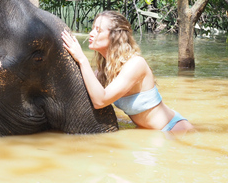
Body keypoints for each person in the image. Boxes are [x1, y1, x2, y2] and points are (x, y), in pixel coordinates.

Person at [61, 10, 194, 132]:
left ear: (115, 36)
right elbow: (86, 91)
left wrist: (82, 59)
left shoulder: (135, 64)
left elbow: (100, 101)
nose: (91, 33)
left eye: (98, 30)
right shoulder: (105, 69)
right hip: (149, 133)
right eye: (92, 29)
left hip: (174, 129)